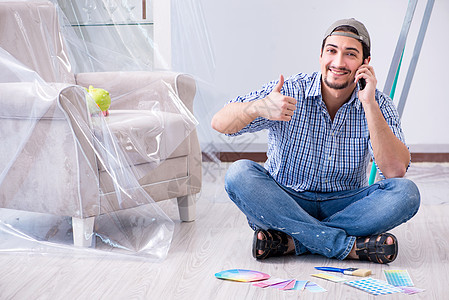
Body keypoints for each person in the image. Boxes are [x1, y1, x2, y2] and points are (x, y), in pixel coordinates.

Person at [211, 18, 420, 264]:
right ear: (321, 55)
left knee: (407, 193)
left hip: (346, 205)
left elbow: (395, 171)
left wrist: (369, 105)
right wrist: (259, 107)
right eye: (332, 51)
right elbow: (219, 123)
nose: (339, 62)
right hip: (286, 200)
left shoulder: (377, 103)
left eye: (350, 54)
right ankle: (345, 245)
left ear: (365, 63)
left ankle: (294, 241)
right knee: (238, 173)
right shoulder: (290, 91)